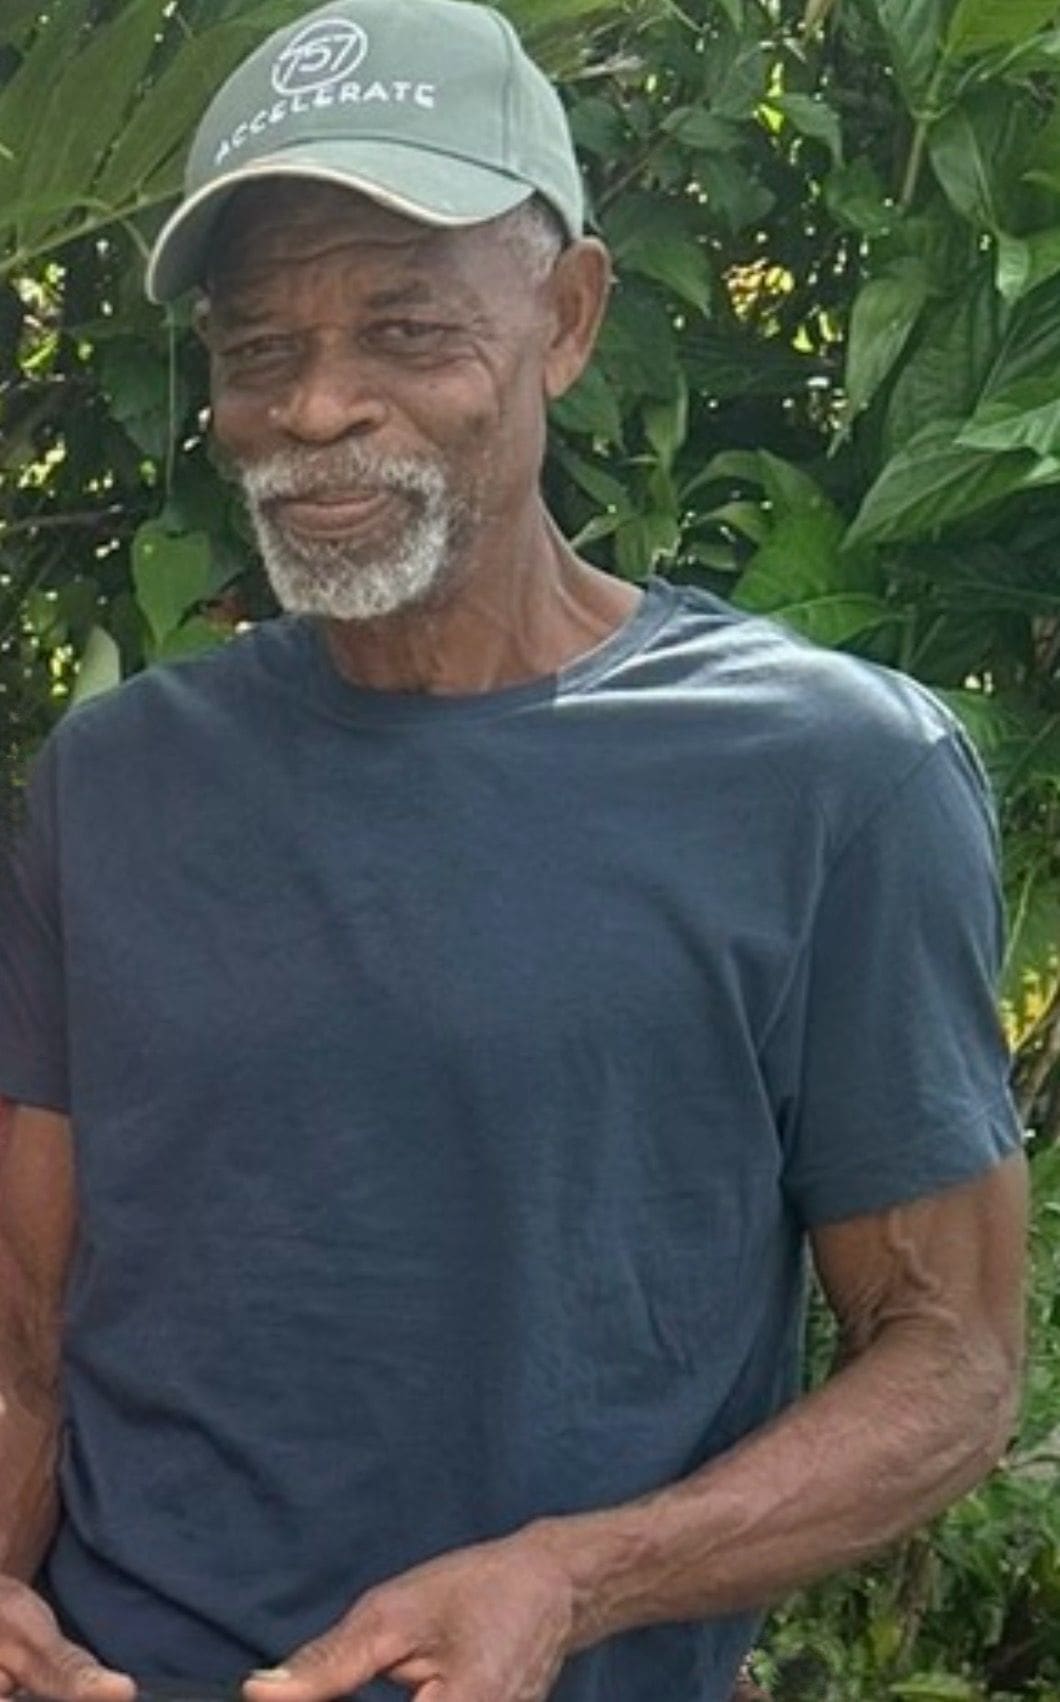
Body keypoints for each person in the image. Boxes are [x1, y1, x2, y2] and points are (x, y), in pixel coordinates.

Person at [0, 2, 1029, 1700]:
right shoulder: (114, 783)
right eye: (256, 349)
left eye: (405, 327)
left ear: (568, 318)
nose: (314, 406)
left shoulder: (836, 777)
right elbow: (27, 1332)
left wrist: (574, 1579)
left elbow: (953, 1362)